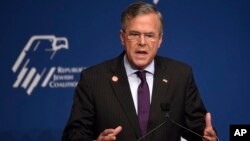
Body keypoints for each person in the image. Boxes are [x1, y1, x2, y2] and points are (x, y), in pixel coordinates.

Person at [62, 1, 218, 141]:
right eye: (134, 34)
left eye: (149, 35)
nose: (142, 42)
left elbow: (199, 129)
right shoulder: (94, 78)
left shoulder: (180, 75)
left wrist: (208, 138)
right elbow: (73, 134)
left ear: (160, 40)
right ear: (122, 38)